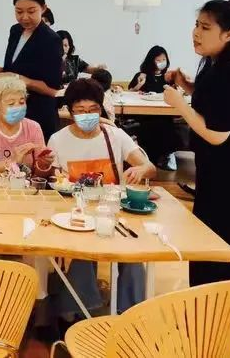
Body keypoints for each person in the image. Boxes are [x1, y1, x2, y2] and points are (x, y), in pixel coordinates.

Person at [163, 0, 230, 343]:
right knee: (208, 246)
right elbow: (214, 106)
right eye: (197, 24)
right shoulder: (217, 64)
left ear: (229, 34)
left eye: (205, 27)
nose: (196, 33)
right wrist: (189, 87)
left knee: (224, 250)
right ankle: (205, 318)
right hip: (218, 173)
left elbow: (217, 134)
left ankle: (228, 326)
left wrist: (180, 104)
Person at [47, 78, 156, 317]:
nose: (87, 115)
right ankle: (79, 310)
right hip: (76, 212)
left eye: (93, 109)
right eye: (80, 110)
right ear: (70, 111)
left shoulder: (115, 135)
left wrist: (141, 169)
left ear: (101, 109)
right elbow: (55, 180)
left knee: (132, 252)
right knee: (84, 251)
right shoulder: (58, 140)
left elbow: (149, 167)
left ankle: (132, 312)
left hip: (113, 211)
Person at [0, 0, 62, 140]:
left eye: (31, 11)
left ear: (43, 8)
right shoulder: (15, 31)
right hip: (11, 111)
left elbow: (52, 90)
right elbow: (17, 68)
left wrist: (17, 78)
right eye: (19, 12)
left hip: (38, 112)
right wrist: (2, 70)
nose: (25, 17)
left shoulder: (51, 40)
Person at [0, 76, 53, 178]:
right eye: (11, 104)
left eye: (22, 102)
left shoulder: (33, 127)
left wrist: (43, 165)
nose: (18, 107)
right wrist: (12, 162)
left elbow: (39, 177)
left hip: (24, 187)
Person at [128, 45, 181, 170]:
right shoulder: (142, 75)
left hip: (165, 113)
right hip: (145, 113)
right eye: (158, 60)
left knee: (165, 123)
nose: (161, 62)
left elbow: (176, 92)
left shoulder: (168, 77)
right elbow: (130, 93)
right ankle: (154, 157)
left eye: (164, 60)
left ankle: (165, 156)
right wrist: (139, 85)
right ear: (151, 61)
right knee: (153, 123)